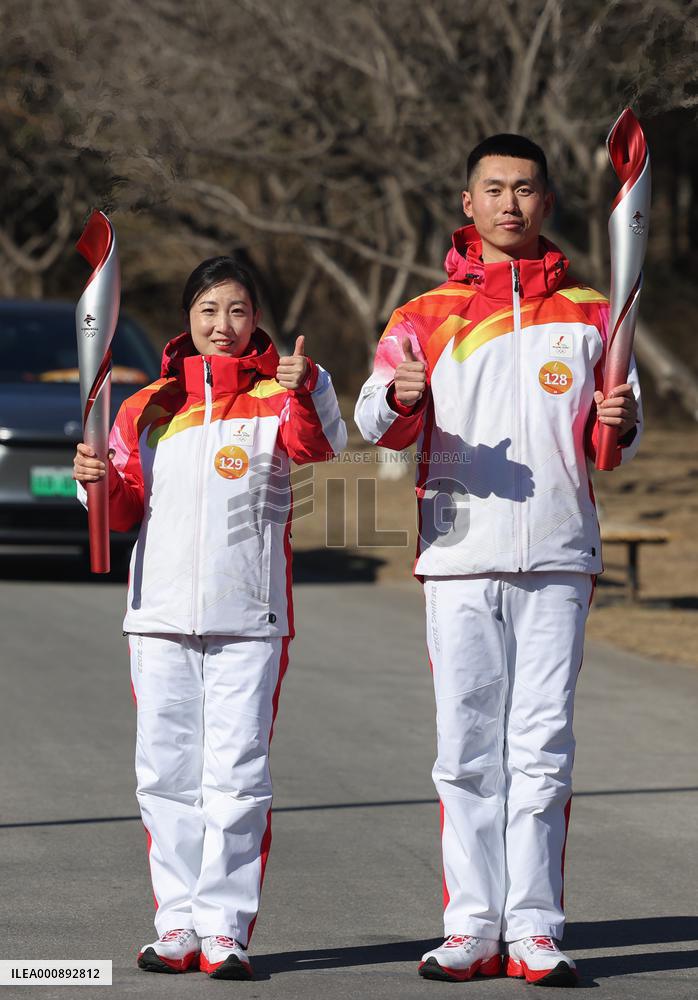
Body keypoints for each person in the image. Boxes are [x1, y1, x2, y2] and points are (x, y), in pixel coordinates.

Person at [355, 134, 641, 987]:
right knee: (468, 749)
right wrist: (399, 396)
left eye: (524, 188)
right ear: (468, 203)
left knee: (543, 749)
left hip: (558, 553)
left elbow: (613, 442)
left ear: (546, 201)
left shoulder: (593, 312)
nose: (509, 203)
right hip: (459, 555)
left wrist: (622, 422)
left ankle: (535, 929)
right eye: (493, 188)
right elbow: (373, 420)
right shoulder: (424, 314)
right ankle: (472, 927)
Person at [74, 257, 346, 980]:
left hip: (249, 615)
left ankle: (225, 928)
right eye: (208, 310)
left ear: (255, 318)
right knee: (164, 776)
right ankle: (176, 923)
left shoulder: (280, 395)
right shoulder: (146, 407)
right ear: (187, 318)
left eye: (237, 310)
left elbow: (320, 446)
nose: (222, 325)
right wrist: (94, 483)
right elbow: (124, 509)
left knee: (237, 778)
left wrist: (310, 387)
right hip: (157, 616)